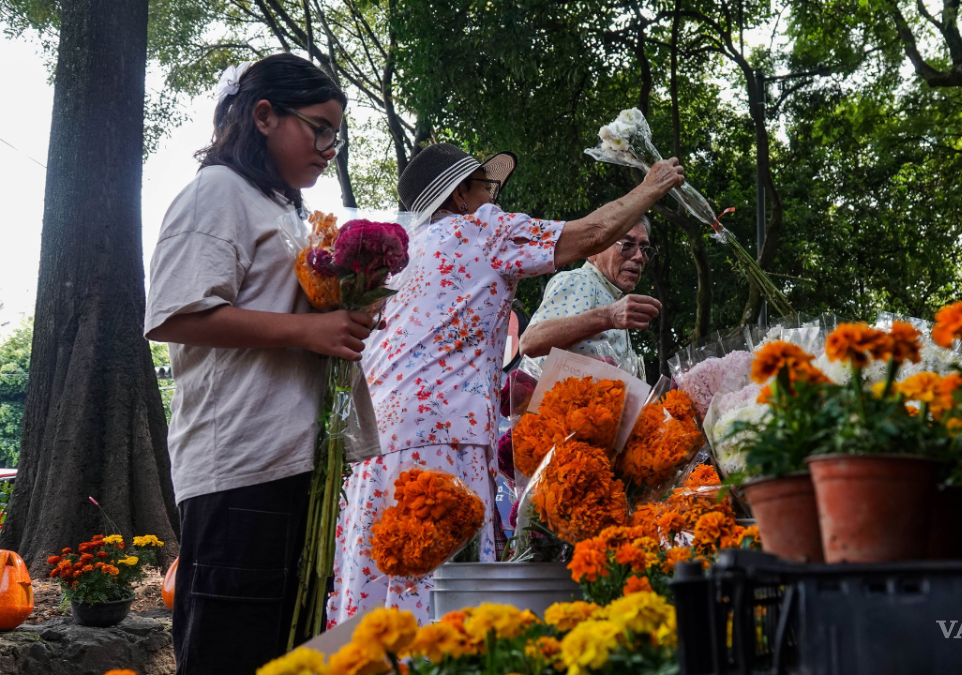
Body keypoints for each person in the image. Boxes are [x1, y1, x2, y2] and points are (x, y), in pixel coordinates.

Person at [328, 143, 685, 626]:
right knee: (446, 599)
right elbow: (590, 234)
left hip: (374, 446)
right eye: (485, 186)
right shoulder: (482, 229)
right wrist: (651, 187)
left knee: (379, 594)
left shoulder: (396, 267)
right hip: (443, 441)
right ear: (458, 197)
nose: (492, 197)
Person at [144, 54, 374, 674]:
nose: (330, 148)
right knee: (233, 652)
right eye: (319, 128)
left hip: (298, 463)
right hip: (239, 469)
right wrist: (310, 329)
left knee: (288, 652)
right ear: (265, 116)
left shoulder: (285, 208)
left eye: (337, 134)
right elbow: (171, 314)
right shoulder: (217, 192)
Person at [520, 215, 660, 367]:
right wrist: (608, 317)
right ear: (594, 250)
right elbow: (529, 343)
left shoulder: (614, 299)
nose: (639, 257)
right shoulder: (582, 280)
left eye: (644, 249)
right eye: (627, 245)